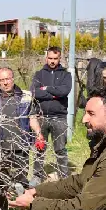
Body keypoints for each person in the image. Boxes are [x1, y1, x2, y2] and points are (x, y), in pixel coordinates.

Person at [0, 67, 43, 190]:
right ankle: (3, 207)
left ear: (13, 79)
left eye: (7, 78)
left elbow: (32, 118)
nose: (5, 82)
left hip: (21, 145)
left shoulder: (26, 96)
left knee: (21, 181)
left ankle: (23, 206)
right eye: (2, 80)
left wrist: (39, 134)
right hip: (0, 147)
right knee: (1, 183)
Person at [30, 46, 73, 185]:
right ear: (46, 58)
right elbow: (35, 92)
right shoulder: (39, 75)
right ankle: (37, 176)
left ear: (59, 58)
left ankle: (63, 176)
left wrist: (47, 89)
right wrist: (54, 93)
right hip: (41, 117)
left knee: (60, 149)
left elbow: (64, 91)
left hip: (59, 117)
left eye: (55, 58)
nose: (52, 61)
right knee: (39, 148)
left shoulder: (66, 75)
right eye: (50, 58)